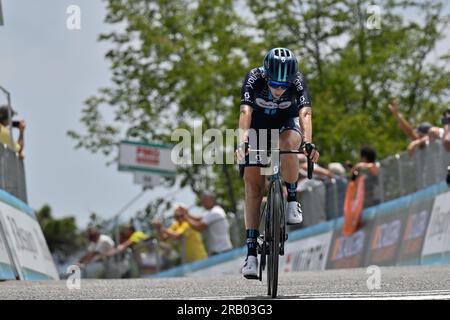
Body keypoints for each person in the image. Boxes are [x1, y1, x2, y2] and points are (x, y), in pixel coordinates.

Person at [235, 47, 319, 279]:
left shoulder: (298, 80)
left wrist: (309, 142)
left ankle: (292, 199)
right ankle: (251, 254)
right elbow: (245, 111)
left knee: (287, 143)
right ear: (266, 73)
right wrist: (242, 141)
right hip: (258, 128)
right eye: (275, 84)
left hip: (286, 124)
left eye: (285, 85)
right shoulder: (254, 77)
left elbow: (305, 114)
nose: (280, 89)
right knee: (253, 187)